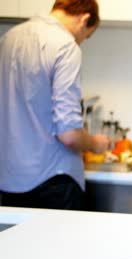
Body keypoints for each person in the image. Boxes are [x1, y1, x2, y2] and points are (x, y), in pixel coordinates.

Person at [0, 0, 110, 210]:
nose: (79, 42)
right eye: (84, 37)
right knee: (62, 244)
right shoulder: (66, 46)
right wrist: (95, 143)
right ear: (84, 19)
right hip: (52, 181)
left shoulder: (8, 39)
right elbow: (68, 134)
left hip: (8, 181)